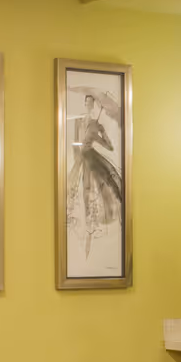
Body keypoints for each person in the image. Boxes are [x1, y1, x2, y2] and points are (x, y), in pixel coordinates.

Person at [68, 93, 123, 260]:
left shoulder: (96, 124)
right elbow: (74, 143)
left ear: (94, 105)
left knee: (98, 187)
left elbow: (110, 147)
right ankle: (84, 224)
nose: (89, 105)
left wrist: (103, 133)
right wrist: (76, 155)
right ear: (85, 104)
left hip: (92, 159)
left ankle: (94, 223)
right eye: (87, 102)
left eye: (91, 103)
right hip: (81, 159)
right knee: (79, 190)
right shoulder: (79, 121)